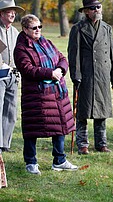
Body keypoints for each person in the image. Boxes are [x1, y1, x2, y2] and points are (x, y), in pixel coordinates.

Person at [13, 14, 77, 175]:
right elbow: (27, 69)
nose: (38, 30)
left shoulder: (46, 42)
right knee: (32, 129)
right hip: (36, 94)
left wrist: (60, 70)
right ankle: (31, 162)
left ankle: (59, 160)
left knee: (59, 125)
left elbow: (62, 57)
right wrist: (50, 73)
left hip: (56, 92)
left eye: (40, 27)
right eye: (34, 28)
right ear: (25, 29)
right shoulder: (21, 48)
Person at [68, 0, 113, 155]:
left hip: (103, 74)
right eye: (92, 8)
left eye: (98, 7)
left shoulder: (107, 28)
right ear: (85, 11)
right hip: (86, 74)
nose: (96, 10)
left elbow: (112, 53)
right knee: (82, 111)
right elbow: (73, 54)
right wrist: (75, 75)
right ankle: (82, 144)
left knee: (102, 111)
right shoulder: (78, 28)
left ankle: (101, 143)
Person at [0, 0, 25, 152]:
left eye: (14, 12)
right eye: (10, 11)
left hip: (13, 76)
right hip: (0, 75)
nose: (13, 14)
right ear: (2, 13)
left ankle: (5, 143)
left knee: (11, 110)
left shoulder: (15, 32)